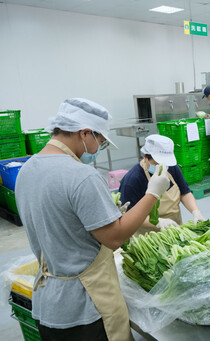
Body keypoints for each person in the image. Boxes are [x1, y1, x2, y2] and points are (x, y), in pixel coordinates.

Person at [15, 98, 171, 341]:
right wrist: (152, 194)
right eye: (100, 141)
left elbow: (62, 225)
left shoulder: (27, 171)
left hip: (49, 303)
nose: (99, 148)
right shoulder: (82, 176)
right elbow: (115, 238)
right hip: (86, 307)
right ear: (85, 133)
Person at [119, 134, 205, 233]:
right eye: (157, 164)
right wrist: (157, 222)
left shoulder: (172, 168)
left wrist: (195, 212)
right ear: (145, 157)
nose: (162, 167)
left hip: (175, 229)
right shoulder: (133, 179)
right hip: (148, 236)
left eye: (165, 164)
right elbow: (128, 216)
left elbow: (184, 192)